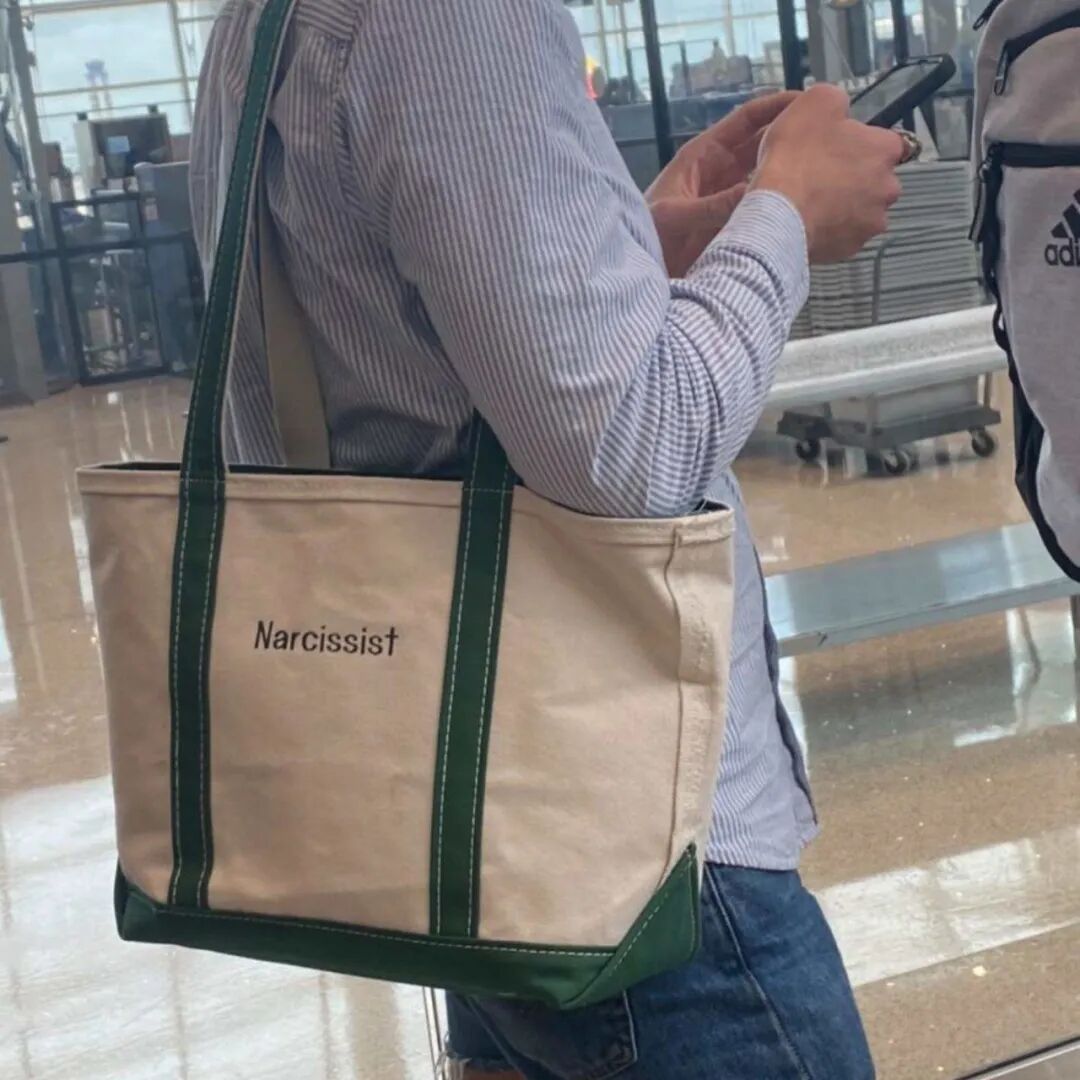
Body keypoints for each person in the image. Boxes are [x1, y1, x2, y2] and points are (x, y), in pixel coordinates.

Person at [190, 0, 905, 1076]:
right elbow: (639, 450)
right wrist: (786, 220)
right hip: (630, 847)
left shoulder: (270, 17)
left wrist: (634, 236)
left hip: (463, 808)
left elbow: (401, 345)